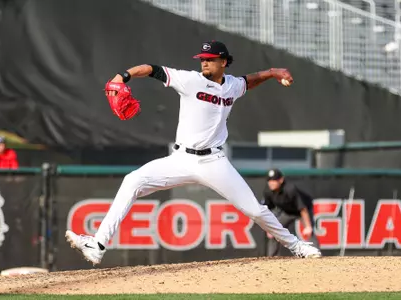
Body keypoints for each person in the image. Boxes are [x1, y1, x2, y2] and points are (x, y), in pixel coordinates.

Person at [65, 40, 321, 265]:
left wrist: (272, 72)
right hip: (181, 159)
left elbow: (248, 81)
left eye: (210, 60)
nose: (204, 64)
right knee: (132, 180)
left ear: (223, 62)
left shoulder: (231, 85)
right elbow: (151, 69)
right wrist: (123, 76)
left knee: (255, 210)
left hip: (214, 161)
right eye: (202, 60)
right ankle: (97, 245)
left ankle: (297, 246)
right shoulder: (189, 80)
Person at [261, 168, 319, 257]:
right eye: (269, 180)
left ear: (281, 180)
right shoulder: (268, 191)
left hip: (302, 211)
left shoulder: (290, 189)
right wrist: (268, 228)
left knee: (309, 231)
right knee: (274, 230)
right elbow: (268, 209)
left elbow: (302, 208)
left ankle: (316, 254)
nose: (271, 183)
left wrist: (307, 226)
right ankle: (271, 257)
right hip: (287, 211)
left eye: (274, 180)